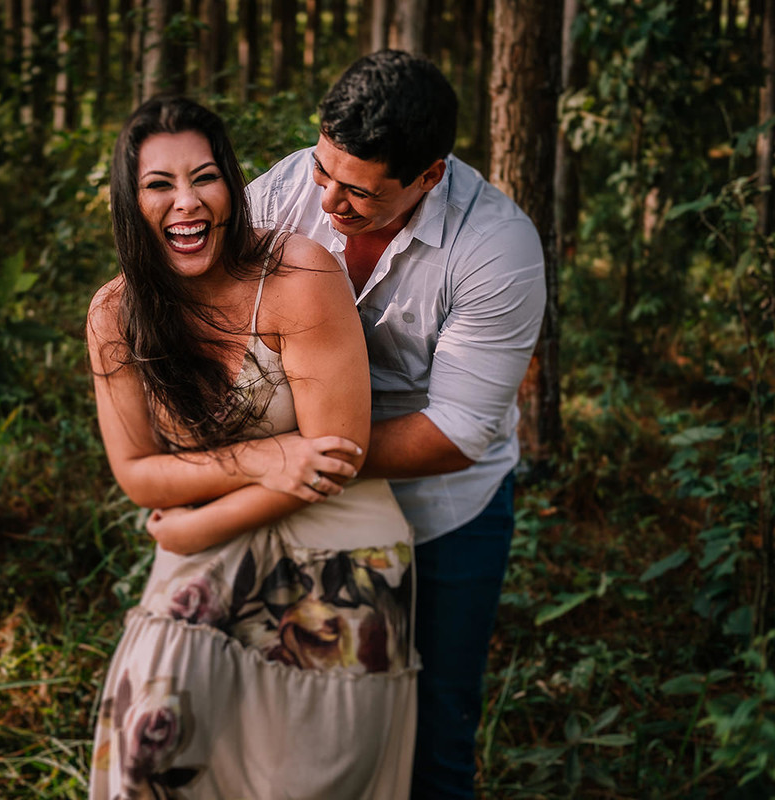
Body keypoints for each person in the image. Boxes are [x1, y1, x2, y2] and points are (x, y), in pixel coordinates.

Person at [87, 95, 420, 798]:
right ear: (129, 200)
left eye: (204, 178)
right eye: (159, 184)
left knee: (313, 778)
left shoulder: (297, 272)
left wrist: (188, 521)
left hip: (339, 543)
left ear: (232, 186)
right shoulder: (115, 314)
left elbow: (336, 457)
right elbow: (139, 474)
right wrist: (265, 457)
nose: (187, 202)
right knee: (151, 744)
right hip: (210, 546)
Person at [244, 51, 546, 799]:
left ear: (429, 177)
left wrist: (300, 458)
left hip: (447, 511)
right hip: (300, 493)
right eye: (324, 172)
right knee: (306, 712)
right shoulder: (289, 186)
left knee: (434, 733)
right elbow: (209, 303)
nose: (328, 200)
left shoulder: (498, 248)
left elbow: (457, 431)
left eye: (357, 193)